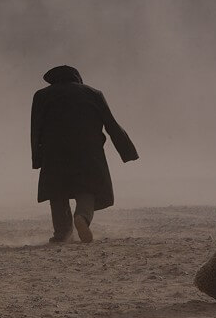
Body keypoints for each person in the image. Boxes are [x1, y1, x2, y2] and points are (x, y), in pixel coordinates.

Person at [31, 66, 138, 243]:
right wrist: (127, 151)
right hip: (88, 151)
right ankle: (82, 217)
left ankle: (62, 233)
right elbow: (111, 123)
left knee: (57, 191)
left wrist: (37, 158)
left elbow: (36, 128)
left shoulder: (42, 95)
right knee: (86, 189)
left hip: (54, 151)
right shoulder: (93, 93)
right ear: (77, 78)